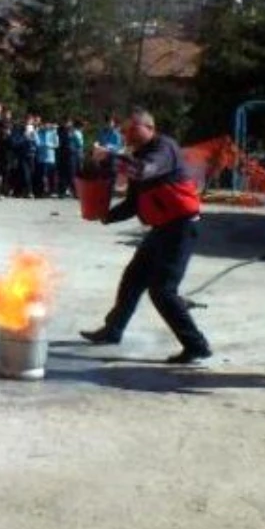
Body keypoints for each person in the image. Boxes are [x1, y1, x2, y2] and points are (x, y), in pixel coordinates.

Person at [80, 109, 212, 365]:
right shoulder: (139, 155)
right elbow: (134, 203)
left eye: (131, 129)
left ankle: (196, 345)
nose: (126, 134)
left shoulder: (164, 148)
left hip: (181, 228)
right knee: (133, 279)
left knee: (163, 291)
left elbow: (142, 171)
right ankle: (113, 330)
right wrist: (106, 216)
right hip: (162, 229)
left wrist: (108, 157)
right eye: (124, 130)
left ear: (149, 127)